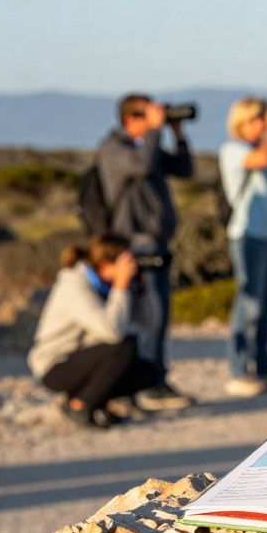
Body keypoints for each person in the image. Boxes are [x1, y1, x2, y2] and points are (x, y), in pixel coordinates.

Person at [95, 93, 194, 410]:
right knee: (147, 316)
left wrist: (177, 134)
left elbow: (183, 169)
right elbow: (143, 165)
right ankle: (146, 385)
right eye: (147, 115)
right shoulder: (114, 149)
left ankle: (155, 379)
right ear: (130, 118)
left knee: (160, 314)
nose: (156, 120)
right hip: (135, 241)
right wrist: (155, 131)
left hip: (157, 239)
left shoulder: (143, 146)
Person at [28, 235, 164, 429]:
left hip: (85, 357)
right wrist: (121, 286)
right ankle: (78, 406)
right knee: (124, 348)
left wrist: (144, 287)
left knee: (148, 373)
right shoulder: (75, 285)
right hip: (55, 364)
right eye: (126, 261)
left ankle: (96, 403)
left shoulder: (107, 285)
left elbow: (150, 323)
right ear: (106, 263)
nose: (132, 265)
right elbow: (112, 332)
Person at [219, 97, 267, 397]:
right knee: (249, 304)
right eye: (259, 119)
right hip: (249, 235)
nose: (264, 124)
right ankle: (237, 370)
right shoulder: (233, 149)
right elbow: (259, 160)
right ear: (244, 121)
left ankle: (263, 364)